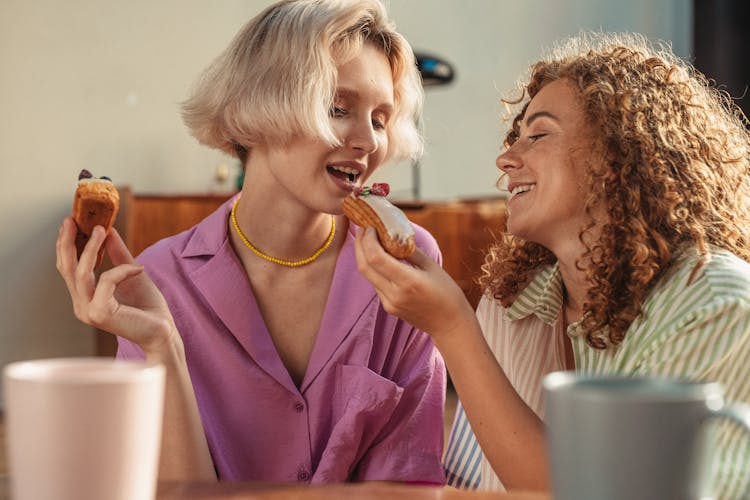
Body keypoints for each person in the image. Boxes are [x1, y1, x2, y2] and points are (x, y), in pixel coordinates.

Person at [56, 0, 446, 484]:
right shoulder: (158, 283)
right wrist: (162, 347)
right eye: (337, 108)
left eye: (382, 118)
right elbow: (177, 495)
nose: (368, 140)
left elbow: (407, 486)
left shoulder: (406, 263)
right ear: (260, 107)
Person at [353, 31, 750, 498]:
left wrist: (453, 328)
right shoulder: (512, 307)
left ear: (618, 156)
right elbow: (473, 487)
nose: (506, 158)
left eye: (538, 135)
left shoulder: (718, 306)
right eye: (514, 138)